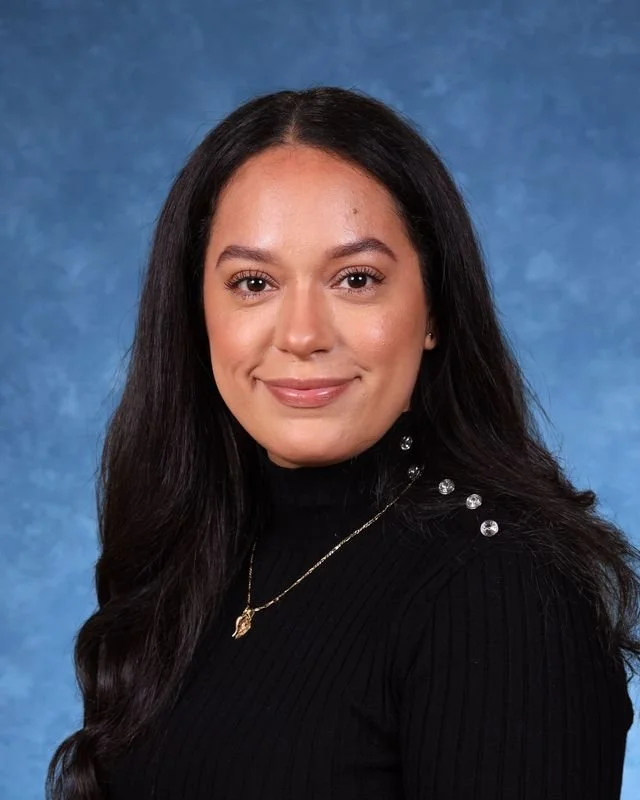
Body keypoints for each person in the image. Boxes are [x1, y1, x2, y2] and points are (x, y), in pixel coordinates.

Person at [47, 86, 639, 800]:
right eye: (253, 282)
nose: (301, 335)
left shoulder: (503, 593)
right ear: (196, 311)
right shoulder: (192, 558)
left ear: (434, 310)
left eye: (356, 279)